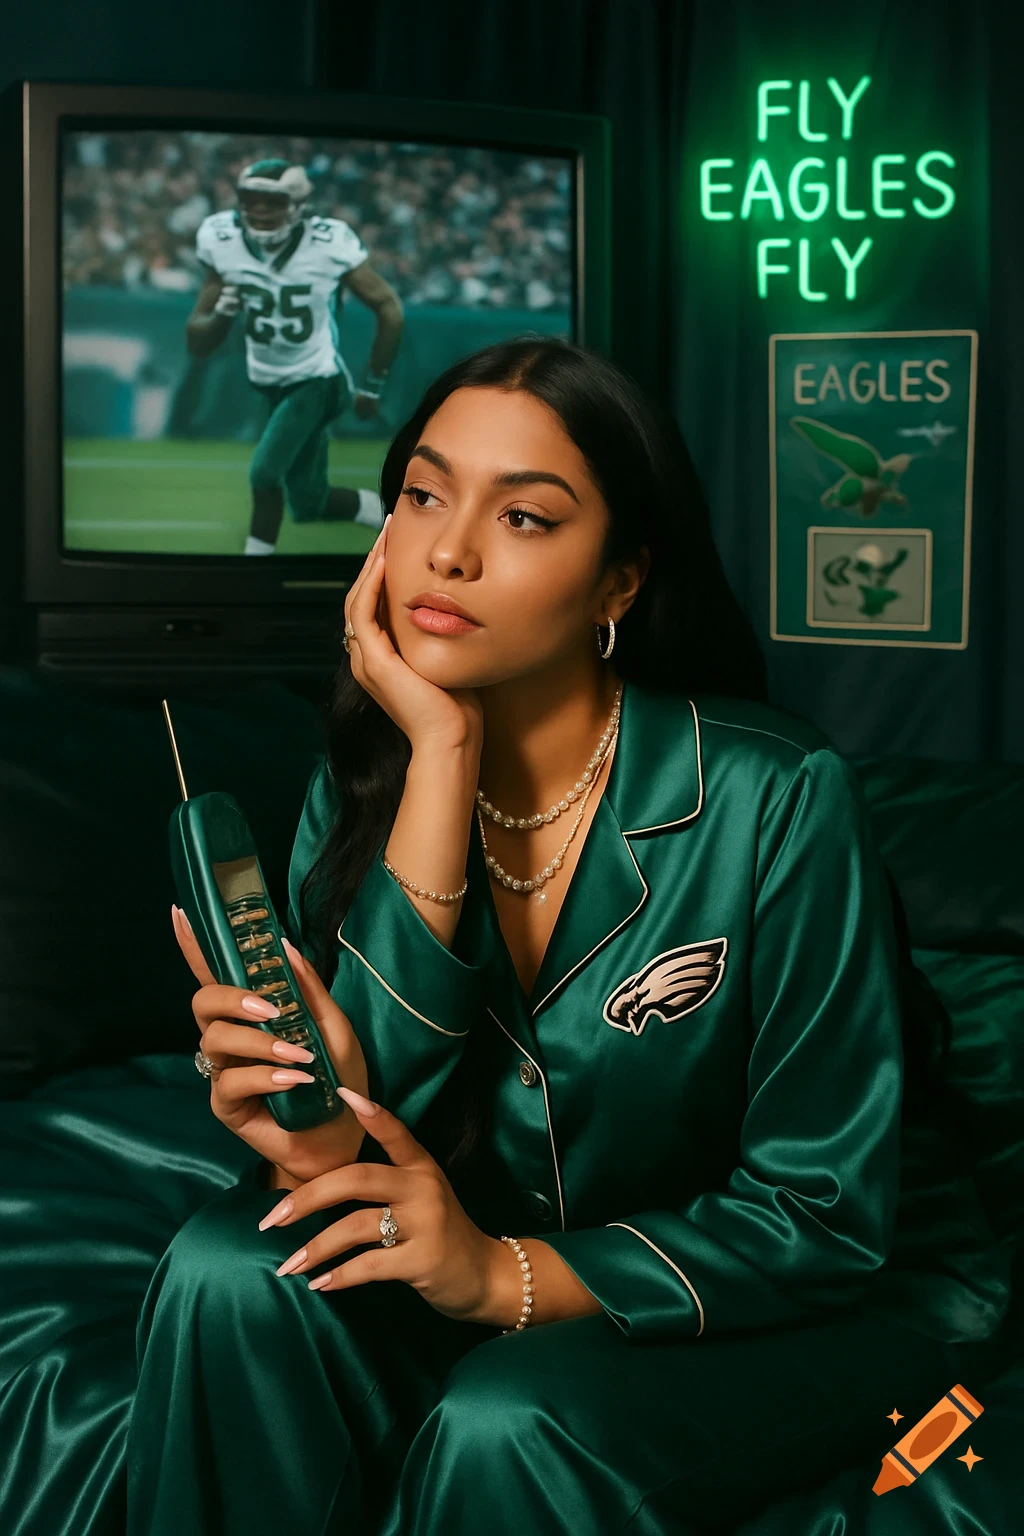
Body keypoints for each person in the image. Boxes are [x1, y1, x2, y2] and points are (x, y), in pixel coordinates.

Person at [125, 337, 1012, 1535]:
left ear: (619, 584)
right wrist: (439, 760)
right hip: (480, 1223)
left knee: (512, 1421)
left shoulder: (777, 797)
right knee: (226, 1274)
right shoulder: (371, 773)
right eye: (423, 494)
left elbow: (822, 1213)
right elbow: (378, 1122)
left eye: (525, 518)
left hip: (817, 1286)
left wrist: (505, 1279)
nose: (446, 549)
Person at [186, 159, 401, 552]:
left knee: (265, 473)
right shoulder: (222, 238)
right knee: (308, 502)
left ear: (299, 205)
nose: (261, 212)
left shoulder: (327, 242)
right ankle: (385, 513)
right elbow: (198, 342)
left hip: (318, 381)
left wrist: (373, 385)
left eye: (273, 203)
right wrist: (223, 313)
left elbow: (389, 307)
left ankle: (251, 577)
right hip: (270, 385)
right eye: (252, 201)